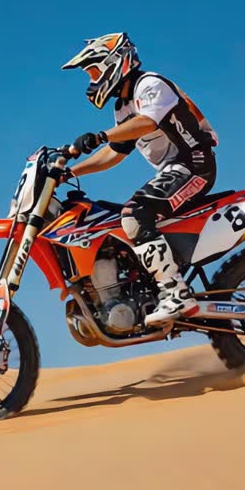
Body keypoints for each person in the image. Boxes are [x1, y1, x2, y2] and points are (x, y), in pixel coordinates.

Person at [62, 32, 219, 326]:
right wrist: (70, 172)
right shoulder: (122, 106)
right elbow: (116, 153)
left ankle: (176, 293)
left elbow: (147, 121)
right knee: (109, 220)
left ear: (115, 63)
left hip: (194, 164)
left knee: (135, 214)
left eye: (94, 71)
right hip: (174, 170)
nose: (92, 81)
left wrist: (100, 135)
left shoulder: (149, 85)